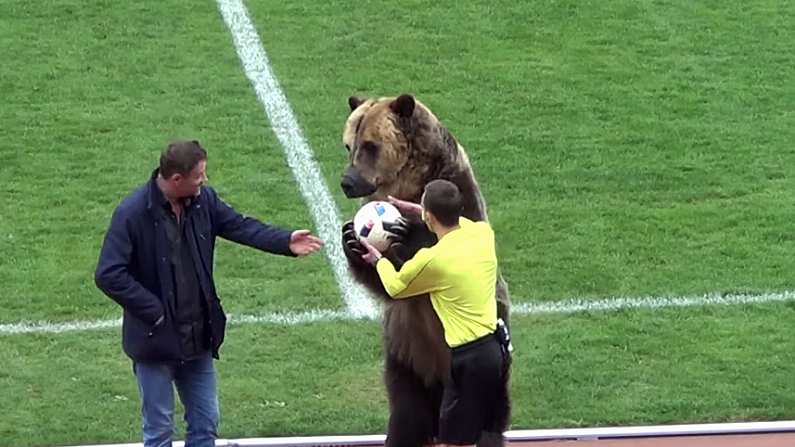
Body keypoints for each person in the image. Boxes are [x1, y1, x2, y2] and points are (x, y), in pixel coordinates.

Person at [94, 140, 323, 447]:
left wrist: (285, 241)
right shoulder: (132, 213)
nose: (204, 180)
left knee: (205, 426)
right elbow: (108, 274)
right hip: (155, 343)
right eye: (199, 175)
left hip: (198, 340)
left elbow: (241, 226)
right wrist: (156, 311)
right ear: (177, 179)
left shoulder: (204, 202)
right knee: (159, 432)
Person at [357, 179, 509, 447]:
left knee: (453, 438)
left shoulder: (433, 260)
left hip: (466, 360)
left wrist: (378, 260)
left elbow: (395, 287)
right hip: (495, 350)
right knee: (485, 429)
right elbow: (458, 221)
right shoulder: (483, 234)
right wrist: (420, 211)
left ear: (429, 215)